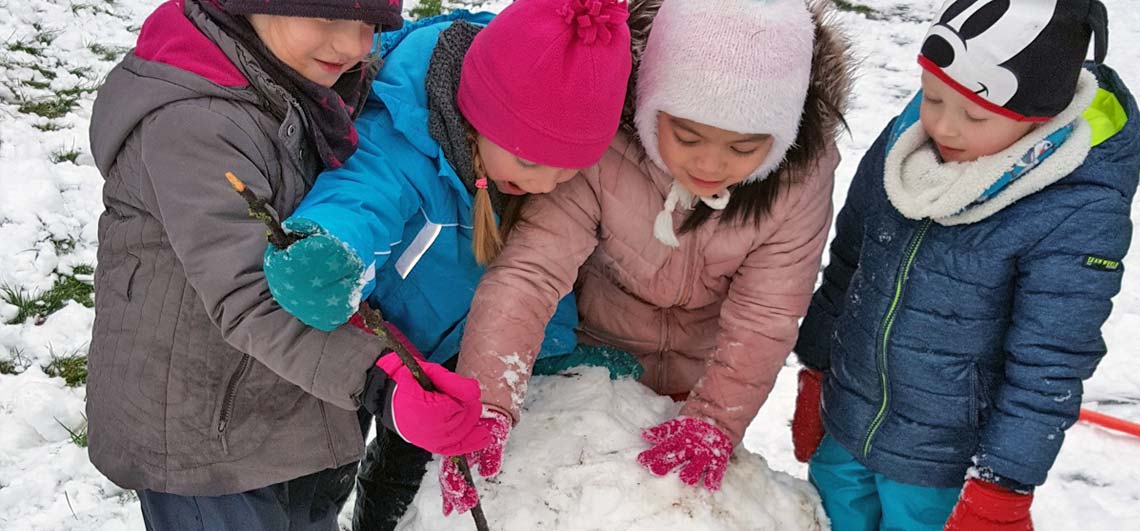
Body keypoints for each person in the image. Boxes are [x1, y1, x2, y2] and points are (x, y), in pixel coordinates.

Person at [86, 0, 491, 528]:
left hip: (300, 413)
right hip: (207, 446)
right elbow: (251, 295)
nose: (353, 45)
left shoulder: (315, 81)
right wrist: (382, 383)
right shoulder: (196, 126)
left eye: (371, 24)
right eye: (327, 18)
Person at [452, 0, 851, 512]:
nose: (710, 163)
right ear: (648, 105)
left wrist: (714, 419)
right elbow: (530, 272)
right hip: (589, 362)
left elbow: (765, 314)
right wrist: (488, 401)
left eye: (744, 148)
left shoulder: (798, 180)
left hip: (703, 380)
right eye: (687, 136)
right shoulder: (604, 145)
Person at [258, 0, 633, 526]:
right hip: (406, 360)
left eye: (567, 171)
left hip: (489, 354)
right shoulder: (409, 139)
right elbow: (366, 193)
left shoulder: (523, 169)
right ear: (481, 113)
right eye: (531, 161)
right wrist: (329, 247)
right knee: (391, 465)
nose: (546, 183)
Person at [790, 1, 1136, 529]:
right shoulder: (907, 141)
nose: (944, 126)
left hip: (941, 466)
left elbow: (1049, 362)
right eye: (932, 97)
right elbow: (849, 262)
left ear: (1038, 116)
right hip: (848, 425)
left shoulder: (1075, 204)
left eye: (975, 114)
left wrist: (1004, 484)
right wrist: (816, 367)